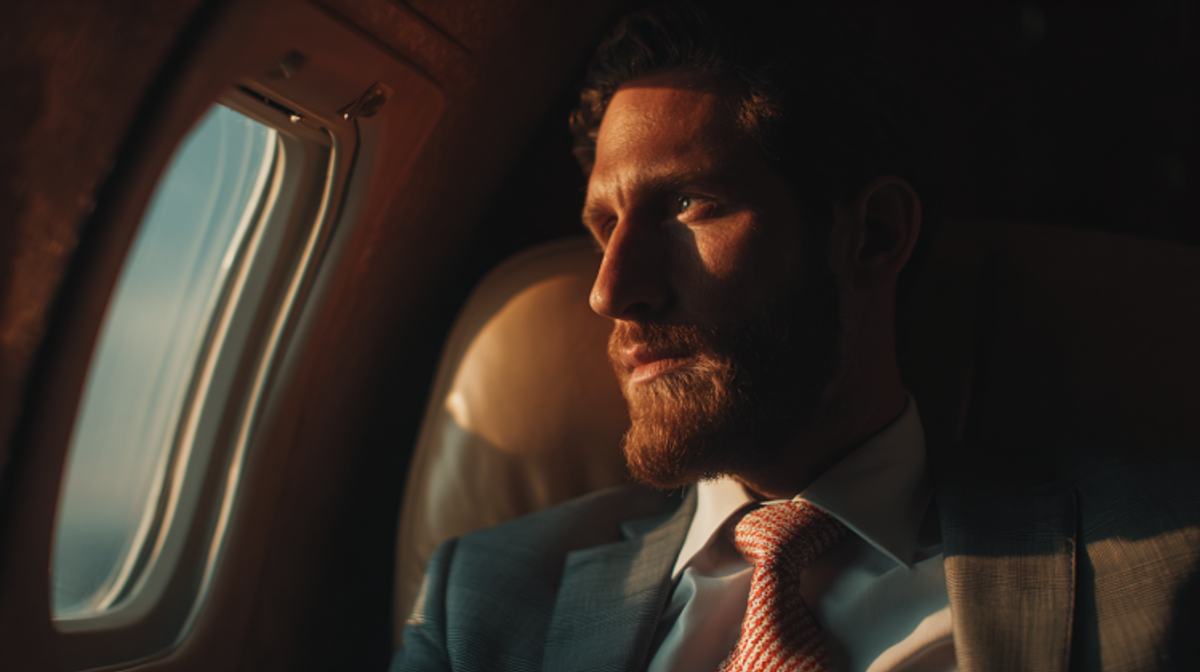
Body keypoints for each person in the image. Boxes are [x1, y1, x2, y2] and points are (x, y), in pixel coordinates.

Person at [393, 2, 1200, 670]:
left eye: (688, 206)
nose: (611, 291)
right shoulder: (482, 602)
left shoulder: (1164, 559)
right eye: (604, 228)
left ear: (874, 235)